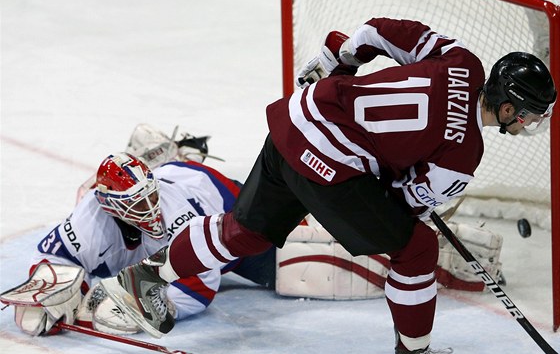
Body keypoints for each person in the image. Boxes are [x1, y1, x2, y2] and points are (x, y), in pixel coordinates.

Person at [101, 17, 557, 353]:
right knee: (417, 248)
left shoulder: (461, 58)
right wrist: (393, 174)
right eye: (532, 114)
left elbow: (373, 33)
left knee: (246, 230)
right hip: (330, 162)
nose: (532, 123)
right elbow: (400, 203)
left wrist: (337, 61)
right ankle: (414, 352)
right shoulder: (463, 155)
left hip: (298, 115)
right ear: (509, 108)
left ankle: (147, 274)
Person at [6, 128, 276, 337]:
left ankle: (178, 157)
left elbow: (202, 284)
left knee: (301, 265)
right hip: (176, 181)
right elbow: (53, 257)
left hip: (230, 207)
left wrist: (150, 307)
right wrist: (53, 292)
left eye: (150, 196)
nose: (150, 209)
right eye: (136, 203)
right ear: (109, 205)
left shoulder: (178, 214)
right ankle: (167, 157)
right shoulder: (89, 216)